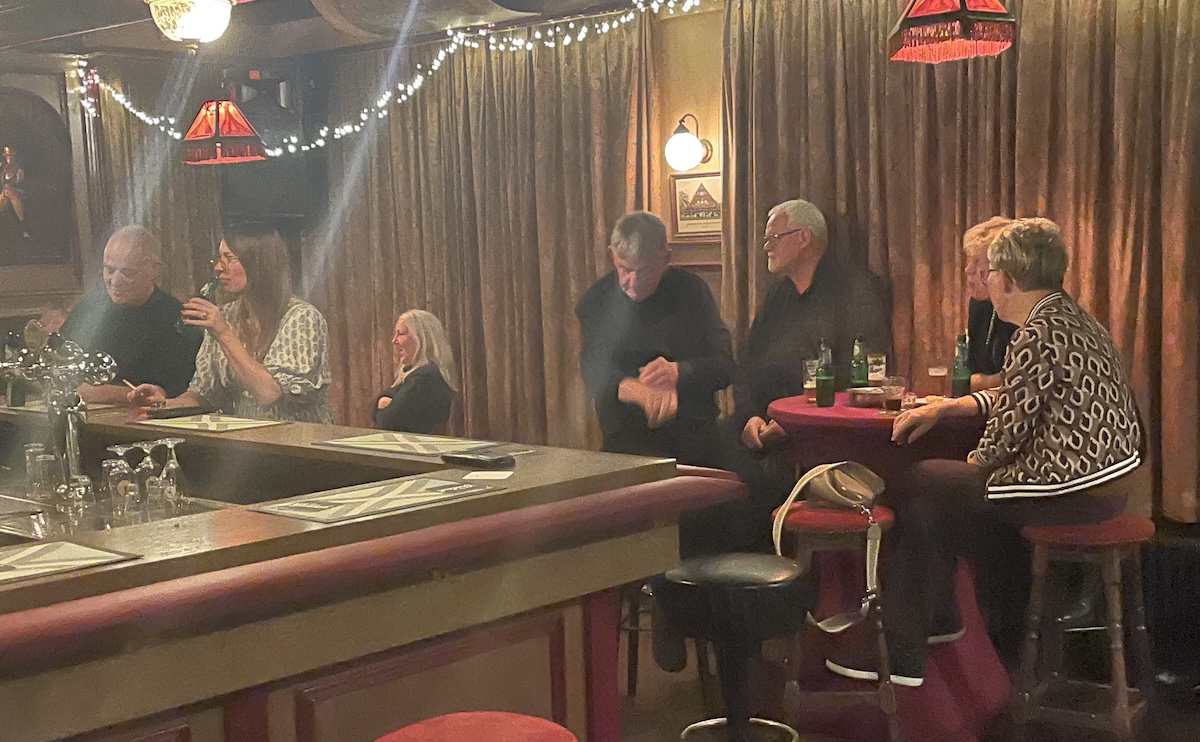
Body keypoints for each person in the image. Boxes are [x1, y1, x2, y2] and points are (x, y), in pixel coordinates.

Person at [826, 218, 1143, 688]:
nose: (984, 282)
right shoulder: (1070, 318)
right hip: (1110, 482)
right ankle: (929, 626)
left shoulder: (1036, 334)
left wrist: (969, 470)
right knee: (934, 503)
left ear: (1009, 280)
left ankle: (906, 648)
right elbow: (1023, 393)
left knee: (921, 481)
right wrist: (952, 406)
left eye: (989, 272)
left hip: (1071, 490)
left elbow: (1001, 441)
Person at [723, 199, 891, 550]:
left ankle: (776, 572)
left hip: (820, 433)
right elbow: (746, 367)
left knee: (756, 484)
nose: (766, 247)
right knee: (706, 459)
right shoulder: (777, 295)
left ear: (803, 238)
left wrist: (795, 422)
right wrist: (750, 416)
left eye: (774, 238)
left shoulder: (854, 289)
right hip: (762, 427)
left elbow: (860, 375)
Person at [575, 211, 734, 467]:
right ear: (612, 255)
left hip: (694, 443)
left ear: (666, 259)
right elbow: (593, 368)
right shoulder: (596, 301)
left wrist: (680, 371)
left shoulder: (693, 292)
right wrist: (632, 388)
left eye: (646, 271)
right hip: (625, 447)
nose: (634, 282)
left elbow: (725, 366)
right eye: (625, 270)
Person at [129, 223, 331, 423]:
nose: (218, 268)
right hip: (241, 438)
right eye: (219, 258)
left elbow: (269, 394)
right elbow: (203, 393)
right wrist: (165, 403)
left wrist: (223, 333)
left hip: (295, 437)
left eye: (229, 258)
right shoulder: (226, 315)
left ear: (259, 264)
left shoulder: (302, 318)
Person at [60, 226, 201, 404]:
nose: (115, 281)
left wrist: (103, 392)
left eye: (127, 272)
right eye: (109, 270)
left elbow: (177, 392)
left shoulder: (178, 320)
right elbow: (59, 368)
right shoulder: (87, 311)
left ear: (155, 271)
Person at [371, 309, 458, 434]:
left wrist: (386, 404)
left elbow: (387, 421)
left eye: (401, 334)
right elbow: (373, 410)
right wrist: (382, 403)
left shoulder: (426, 377)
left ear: (422, 338)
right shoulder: (413, 374)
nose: (394, 340)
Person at [962, 216, 1018, 391]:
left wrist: (986, 382)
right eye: (969, 260)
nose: (968, 269)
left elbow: (1026, 375)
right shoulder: (979, 305)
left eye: (977, 261)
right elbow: (972, 368)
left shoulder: (1023, 306)